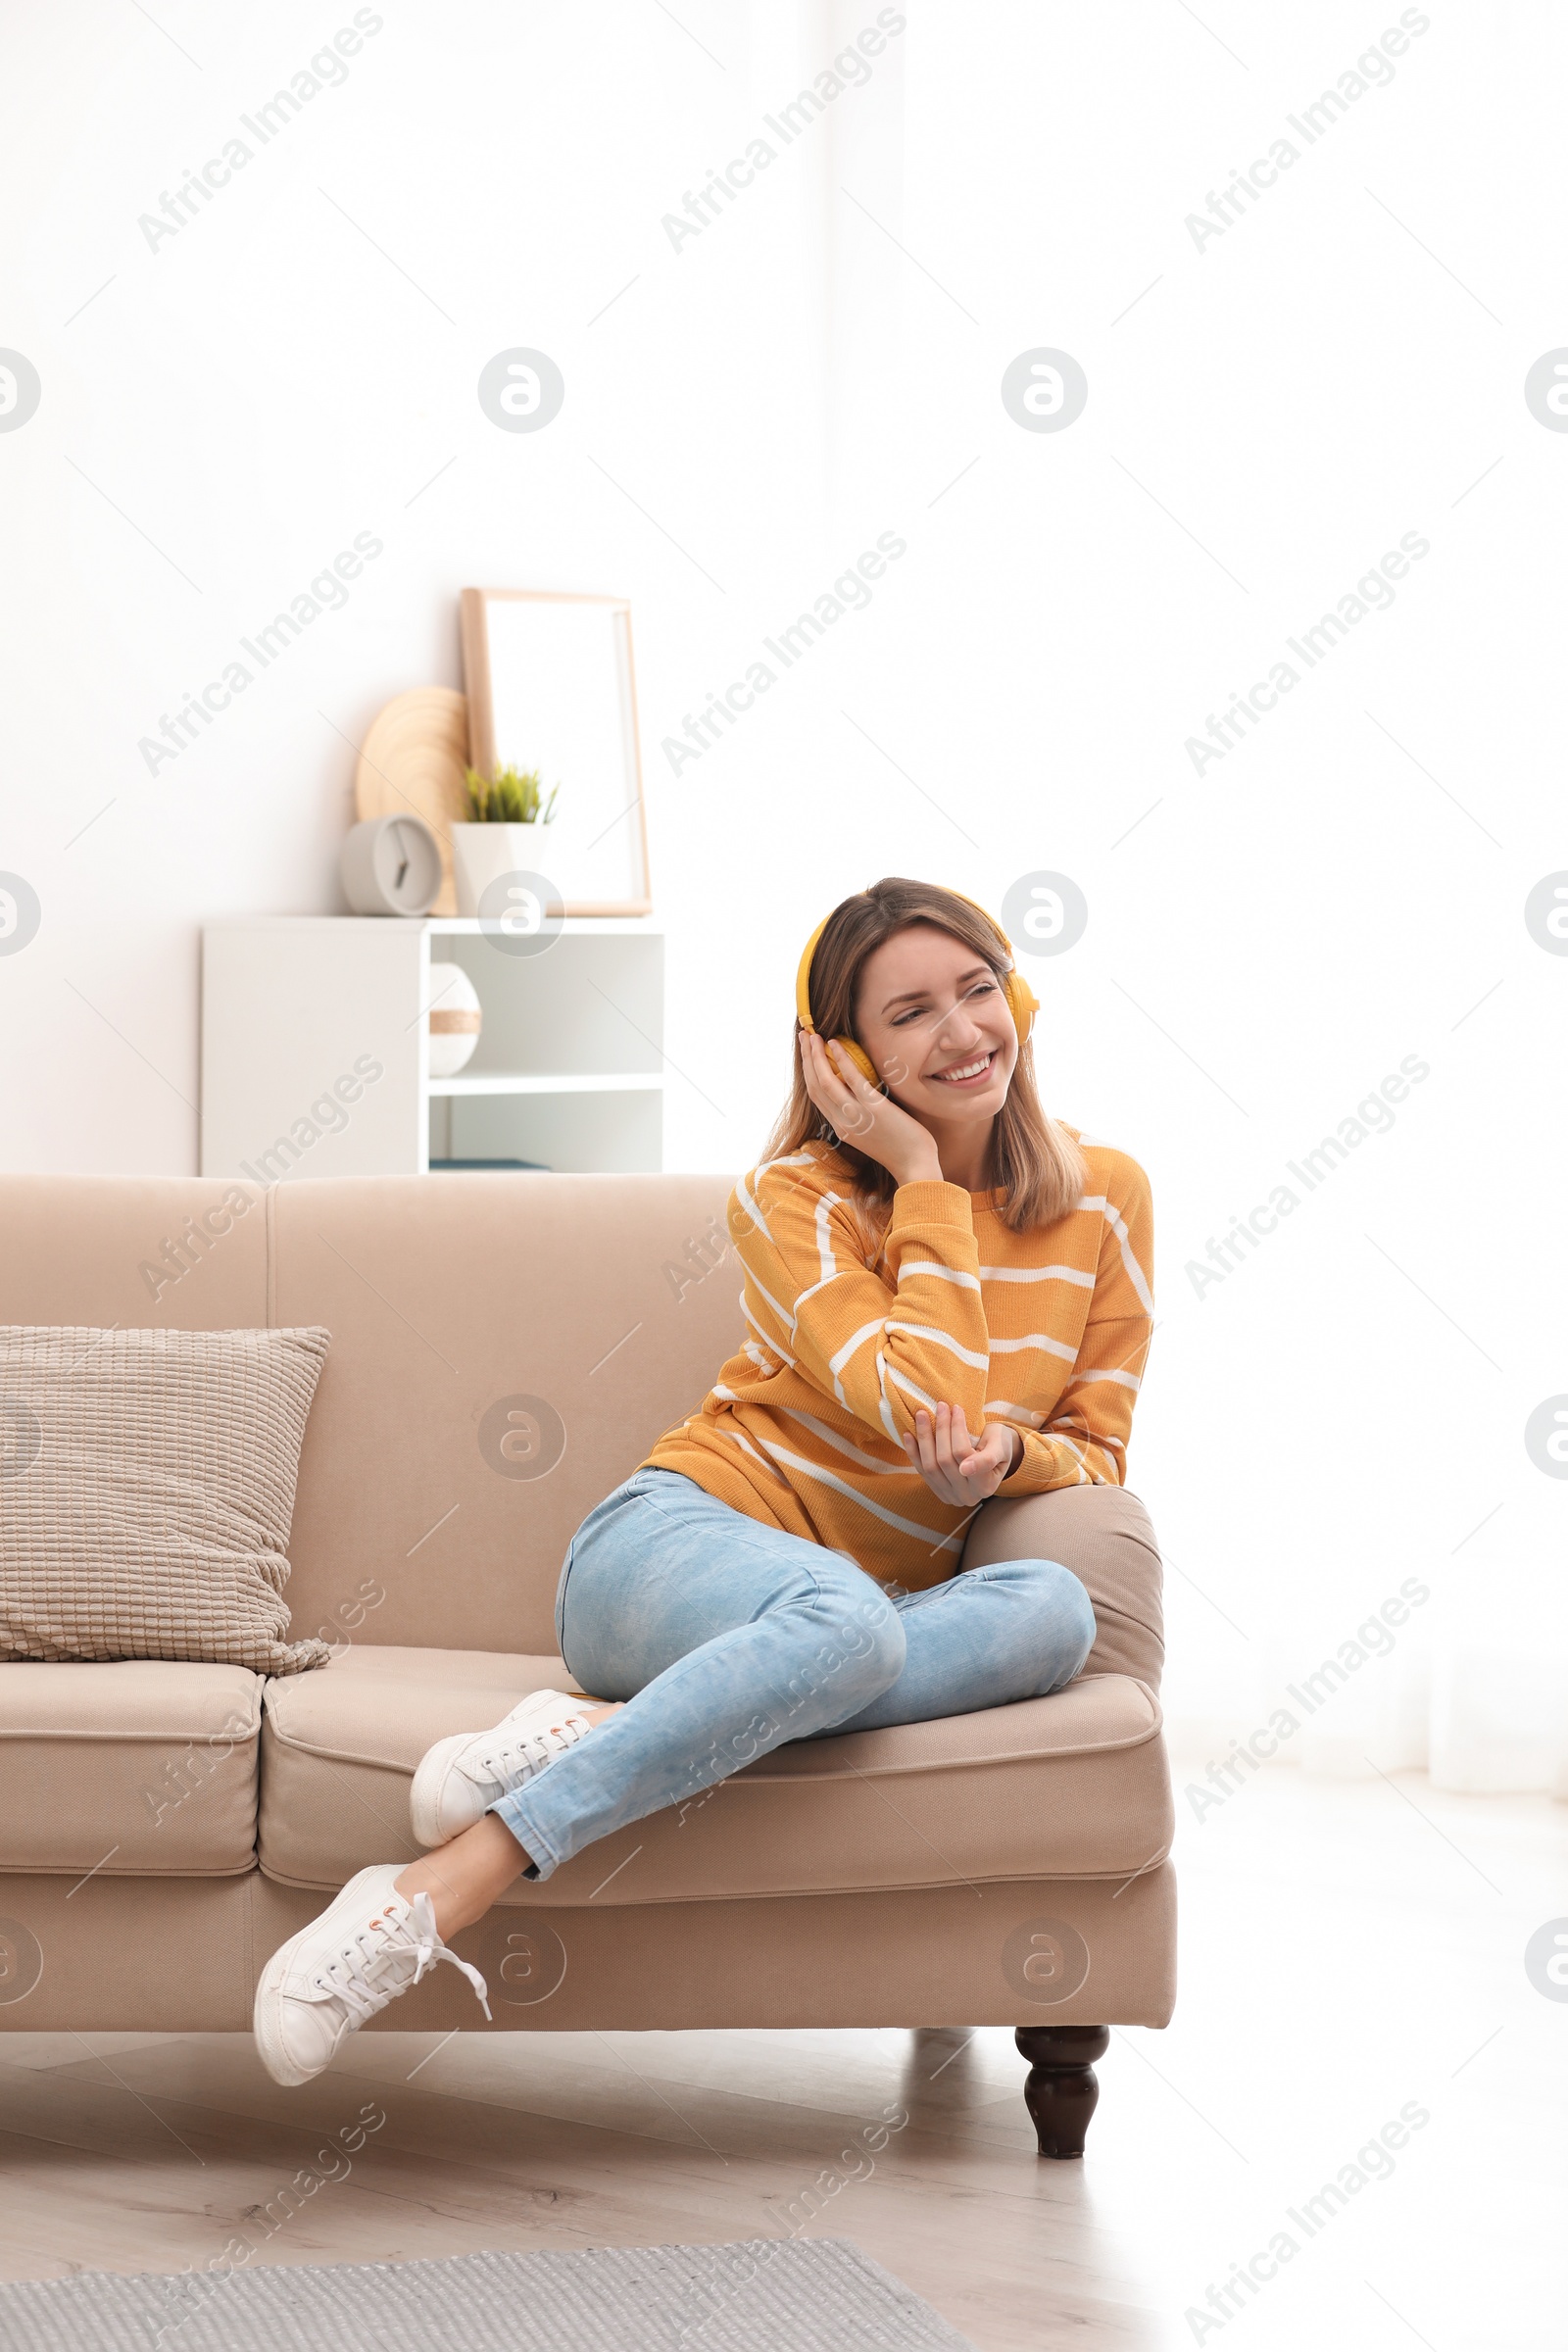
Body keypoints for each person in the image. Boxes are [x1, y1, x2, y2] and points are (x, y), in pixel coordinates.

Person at [253, 877, 1155, 2086]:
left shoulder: (1106, 1198)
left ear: (1021, 998)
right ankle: (440, 1884)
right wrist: (926, 1177)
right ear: (841, 1059)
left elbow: (1095, 1448)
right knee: (843, 1624)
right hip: (663, 1552)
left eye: (979, 990)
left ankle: (599, 1737)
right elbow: (914, 1386)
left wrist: (1008, 1460)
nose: (961, 1033)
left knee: (1052, 1609)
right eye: (910, 1014)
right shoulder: (793, 1201)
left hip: (840, 1630)